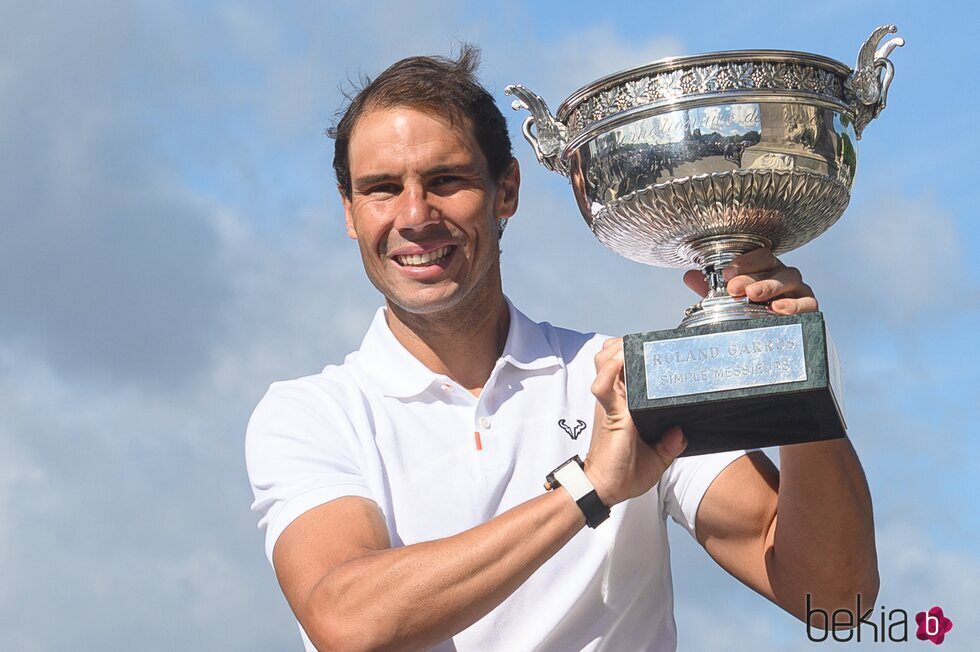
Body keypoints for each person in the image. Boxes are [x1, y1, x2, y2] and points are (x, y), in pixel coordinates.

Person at [246, 46, 878, 651]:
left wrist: (797, 374)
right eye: (382, 187)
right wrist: (589, 489)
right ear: (350, 212)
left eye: (446, 180)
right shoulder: (310, 413)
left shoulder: (621, 379)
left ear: (508, 191)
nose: (415, 215)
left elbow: (837, 598)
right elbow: (346, 622)